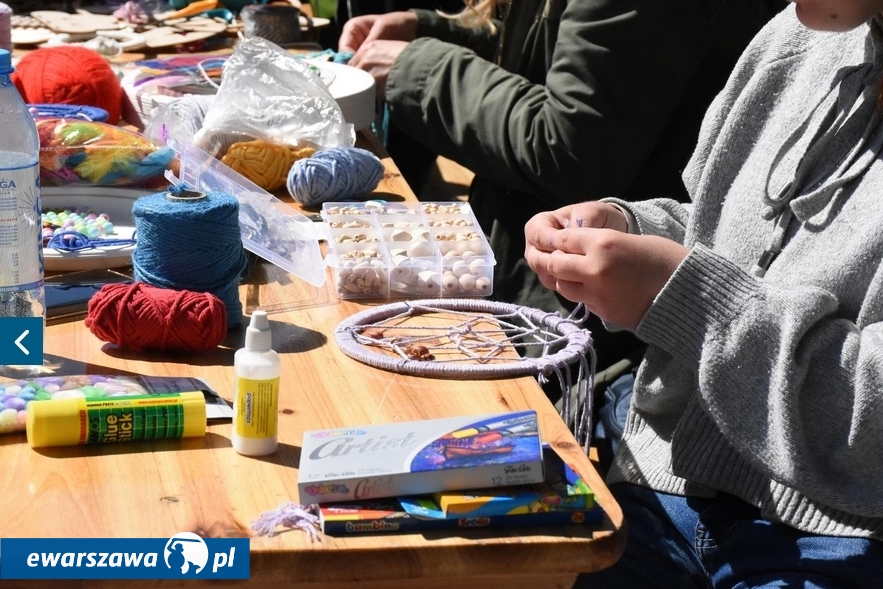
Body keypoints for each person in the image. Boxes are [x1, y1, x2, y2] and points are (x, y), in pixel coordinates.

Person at [524, 1, 883, 585]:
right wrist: (630, 230)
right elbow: (716, 229)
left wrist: (686, 298)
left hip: (838, 537)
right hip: (663, 474)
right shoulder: (803, 31)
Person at [339, 0, 787, 373]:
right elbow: (559, 56)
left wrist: (417, 66)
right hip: (549, 285)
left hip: (589, 321)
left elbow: (567, 147)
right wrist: (431, 31)